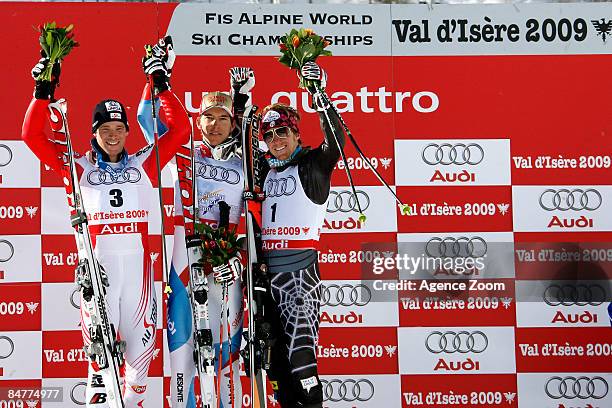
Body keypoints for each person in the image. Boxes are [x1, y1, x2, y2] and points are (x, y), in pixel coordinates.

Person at [22, 41, 189, 407]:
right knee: (100, 366)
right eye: (104, 128)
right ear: (93, 132)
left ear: (128, 131)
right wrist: (42, 93)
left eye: (119, 127)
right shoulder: (78, 167)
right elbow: (32, 137)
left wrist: (160, 81)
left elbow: (179, 131)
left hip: (139, 279)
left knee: (139, 371)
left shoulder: (144, 163)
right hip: (99, 277)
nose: (113, 134)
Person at [137, 62, 255, 408]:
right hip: (186, 260)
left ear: (232, 122)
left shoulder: (247, 162)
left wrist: (239, 259)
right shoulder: (183, 151)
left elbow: (257, 221)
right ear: (198, 120)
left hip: (226, 263)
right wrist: (155, 78)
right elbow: (147, 119)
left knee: (226, 353)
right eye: (208, 118)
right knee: (184, 354)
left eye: (222, 118)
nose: (214, 125)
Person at [258, 61, 343, 408]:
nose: (276, 140)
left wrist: (318, 93)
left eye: (282, 132)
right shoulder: (263, 169)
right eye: (269, 135)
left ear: (296, 134)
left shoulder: (312, 165)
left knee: (302, 363)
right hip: (265, 277)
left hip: (299, 274)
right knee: (274, 366)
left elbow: (335, 141)